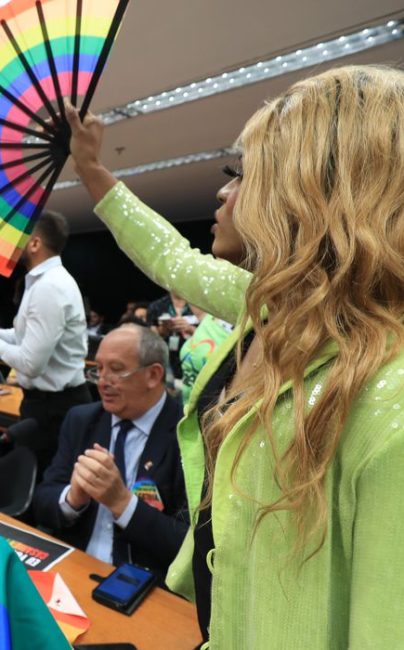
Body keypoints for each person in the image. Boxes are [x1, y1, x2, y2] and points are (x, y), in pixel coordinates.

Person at [65, 65, 404, 647]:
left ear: (317, 194)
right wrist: (92, 171)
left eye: (243, 174)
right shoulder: (271, 308)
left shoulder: (390, 402)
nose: (221, 192)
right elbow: (169, 256)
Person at [34, 325, 186, 581]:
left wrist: (123, 504)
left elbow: (188, 544)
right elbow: (42, 501)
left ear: (153, 375)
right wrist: (73, 499)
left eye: (116, 370)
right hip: (75, 567)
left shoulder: (188, 437)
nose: (103, 382)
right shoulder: (82, 420)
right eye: (99, 369)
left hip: (142, 583)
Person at [0, 212, 90, 473]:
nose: (10, 243)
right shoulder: (41, 283)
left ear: (35, 243)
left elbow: (30, 364)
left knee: (42, 488)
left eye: (17, 236)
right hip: (46, 405)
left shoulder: (49, 287)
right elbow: (24, 338)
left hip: (54, 409)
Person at [147, 290, 194, 381]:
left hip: (193, 358)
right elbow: (148, 339)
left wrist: (190, 329)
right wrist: (162, 330)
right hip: (165, 362)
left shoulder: (199, 306)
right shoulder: (157, 306)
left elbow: (211, 333)